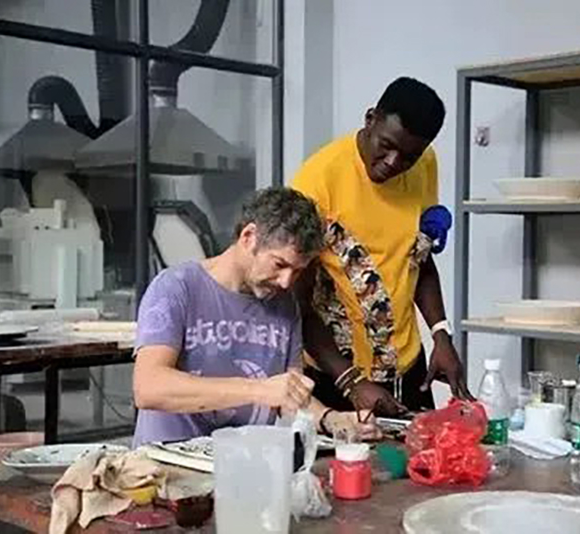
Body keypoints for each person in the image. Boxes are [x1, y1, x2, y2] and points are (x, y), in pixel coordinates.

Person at [132, 187, 378, 448]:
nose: (286, 282)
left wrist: (331, 419)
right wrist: (258, 390)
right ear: (248, 237)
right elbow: (149, 388)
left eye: (297, 271)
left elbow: (290, 396)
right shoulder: (176, 288)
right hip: (167, 462)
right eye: (279, 264)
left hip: (244, 461)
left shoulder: (285, 305)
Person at [292, 77, 473, 417]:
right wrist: (350, 382)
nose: (393, 162)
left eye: (408, 157)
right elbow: (297, 303)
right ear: (370, 118)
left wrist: (441, 335)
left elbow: (418, 258)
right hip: (337, 375)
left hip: (408, 368)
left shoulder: (424, 163)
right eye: (386, 145)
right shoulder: (316, 183)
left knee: (428, 449)